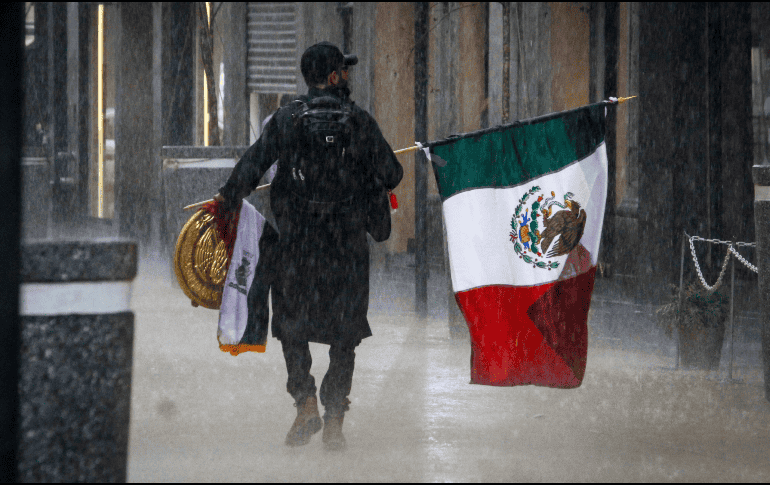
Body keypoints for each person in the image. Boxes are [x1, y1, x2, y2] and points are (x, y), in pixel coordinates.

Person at [214, 41, 403, 451]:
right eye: (344, 71)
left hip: (298, 246)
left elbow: (252, 164)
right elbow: (393, 172)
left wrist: (227, 197)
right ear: (333, 77)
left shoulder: (286, 119)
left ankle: (305, 401)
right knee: (345, 334)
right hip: (347, 247)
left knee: (291, 325)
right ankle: (335, 420)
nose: (348, 77)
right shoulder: (359, 121)